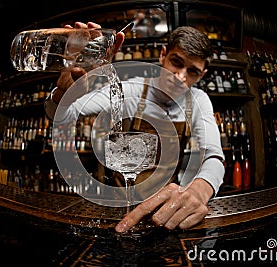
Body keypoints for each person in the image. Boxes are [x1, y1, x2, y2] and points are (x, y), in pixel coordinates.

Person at [44, 21, 225, 233]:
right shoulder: (130, 89)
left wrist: (200, 190)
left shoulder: (198, 99)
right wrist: (63, 93)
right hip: (119, 206)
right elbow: (64, 115)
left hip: (165, 209)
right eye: (176, 62)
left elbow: (213, 155)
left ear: (201, 75)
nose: (180, 77)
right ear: (163, 55)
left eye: (192, 72)